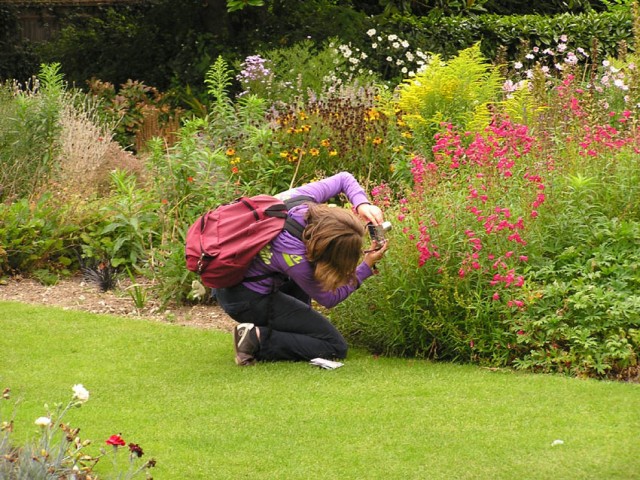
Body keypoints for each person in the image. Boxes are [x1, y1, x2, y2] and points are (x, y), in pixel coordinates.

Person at [215, 171, 388, 366]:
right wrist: (366, 266)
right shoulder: (294, 257)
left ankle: (285, 329)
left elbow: (344, 178)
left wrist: (362, 204)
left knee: (303, 311)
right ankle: (255, 338)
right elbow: (329, 298)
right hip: (244, 300)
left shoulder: (301, 201)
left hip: (235, 279)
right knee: (333, 346)